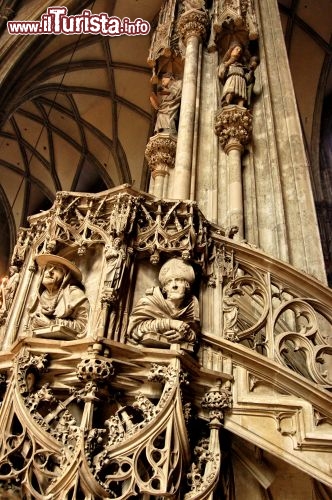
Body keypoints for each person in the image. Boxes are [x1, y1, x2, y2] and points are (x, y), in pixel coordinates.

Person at [128, 258, 200, 347]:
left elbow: (194, 337)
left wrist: (184, 335)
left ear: (187, 285)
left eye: (179, 280)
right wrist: (170, 324)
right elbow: (135, 330)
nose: (174, 286)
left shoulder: (190, 308)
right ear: (165, 289)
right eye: (169, 282)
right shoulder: (150, 301)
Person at [29, 254, 89, 338]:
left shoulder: (74, 294)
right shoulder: (39, 296)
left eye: (57, 269)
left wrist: (52, 323)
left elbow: (82, 326)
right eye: (48, 267)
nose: (50, 271)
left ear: (66, 276)